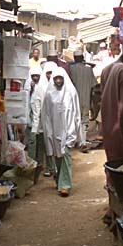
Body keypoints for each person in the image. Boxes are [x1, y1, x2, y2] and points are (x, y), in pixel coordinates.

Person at [42, 67, 80, 197]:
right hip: (54, 130)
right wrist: (48, 132)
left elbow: (75, 112)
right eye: (56, 78)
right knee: (57, 157)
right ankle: (59, 180)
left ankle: (65, 185)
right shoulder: (49, 94)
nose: (58, 81)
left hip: (68, 131)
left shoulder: (70, 91)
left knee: (65, 157)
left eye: (60, 78)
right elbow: (46, 114)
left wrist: (74, 133)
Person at [70, 50, 97, 151]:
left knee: (75, 119)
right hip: (86, 97)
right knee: (84, 119)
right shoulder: (88, 70)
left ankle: (78, 140)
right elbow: (93, 86)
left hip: (74, 98)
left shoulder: (71, 69)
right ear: (82, 58)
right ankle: (83, 141)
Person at [27, 65, 46, 166]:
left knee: (38, 143)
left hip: (39, 120)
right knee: (33, 142)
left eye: (37, 76)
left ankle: (38, 163)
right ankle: (33, 163)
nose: (35, 78)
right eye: (33, 76)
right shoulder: (30, 87)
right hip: (32, 119)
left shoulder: (42, 88)